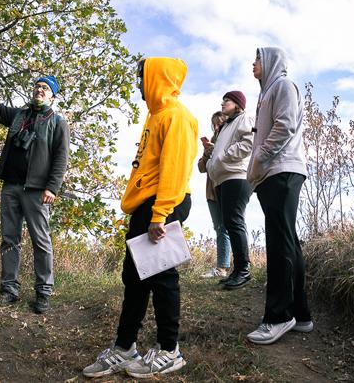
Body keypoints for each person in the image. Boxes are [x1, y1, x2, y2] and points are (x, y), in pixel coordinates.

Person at [83, 57, 198, 379]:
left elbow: (175, 170)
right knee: (134, 279)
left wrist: (160, 214)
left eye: (141, 76)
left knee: (162, 279)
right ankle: (125, 347)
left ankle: (169, 350)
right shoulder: (155, 115)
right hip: (145, 205)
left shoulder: (177, 116)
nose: (138, 83)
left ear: (155, 78)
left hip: (162, 205)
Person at [0, 69, 70, 314]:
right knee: (10, 238)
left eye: (45, 88)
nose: (40, 90)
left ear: (53, 97)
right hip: (11, 187)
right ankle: (9, 289)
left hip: (38, 192)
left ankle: (44, 291)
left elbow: (61, 158)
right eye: (37, 87)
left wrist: (52, 187)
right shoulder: (19, 115)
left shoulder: (57, 122)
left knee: (41, 241)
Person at [245, 47, 313, 345]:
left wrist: (260, 157)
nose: (253, 63)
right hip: (273, 173)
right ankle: (300, 313)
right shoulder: (267, 93)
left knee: (278, 242)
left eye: (257, 58)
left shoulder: (283, 85)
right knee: (287, 239)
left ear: (270, 62)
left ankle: (278, 316)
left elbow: (285, 125)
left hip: (282, 170)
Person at [206, 91, 254, 289]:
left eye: (228, 100)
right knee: (229, 222)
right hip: (223, 178)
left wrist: (224, 155)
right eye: (223, 99)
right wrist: (212, 160)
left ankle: (243, 270)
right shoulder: (226, 125)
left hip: (237, 176)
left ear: (238, 104)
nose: (223, 103)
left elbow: (249, 143)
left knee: (234, 222)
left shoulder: (244, 118)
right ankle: (236, 270)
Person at [197, 110, 231, 279]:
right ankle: (223, 267)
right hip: (212, 191)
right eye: (214, 123)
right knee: (220, 227)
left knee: (228, 227)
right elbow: (201, 168)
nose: (216, 126)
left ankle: (224, 267)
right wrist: (206, 153)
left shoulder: (230, 138)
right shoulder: (212, 141)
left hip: (227, 186)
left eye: (220, 122)